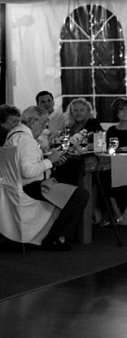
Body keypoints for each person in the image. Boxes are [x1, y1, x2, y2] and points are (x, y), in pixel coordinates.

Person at [5, 106, 88, 250]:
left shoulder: (14, 134)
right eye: (44, 123)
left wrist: (49, 160)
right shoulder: (27, 141)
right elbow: (28, 172)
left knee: (67, 182)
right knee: (80, 195)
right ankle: (56, 237)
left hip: (13, 186)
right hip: (31, 186)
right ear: (33, 121)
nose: (45, 128)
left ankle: (54, 231)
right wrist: (50, 161)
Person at [102, 97, 127, 222]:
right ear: (116, 112)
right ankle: (116, 211)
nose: (125, 112)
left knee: (126, 176)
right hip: (114, 163)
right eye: (121, 109)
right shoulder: (112, 130)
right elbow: (109, 149)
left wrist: (122, 149)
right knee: (104, 175)